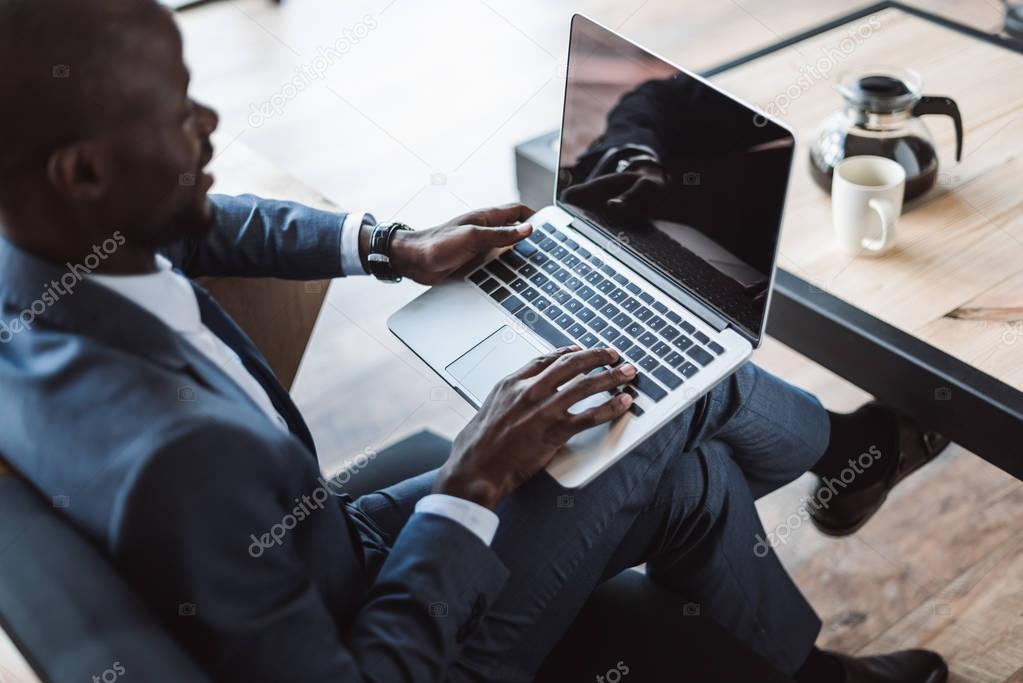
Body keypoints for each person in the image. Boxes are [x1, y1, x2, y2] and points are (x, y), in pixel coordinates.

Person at [0, 1, 950, 681]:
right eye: (177, 112)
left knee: (683, 470)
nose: (208, 125)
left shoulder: (49, 257)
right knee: (672, 387)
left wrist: (392, 245)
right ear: (82, 171)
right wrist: (472, 481)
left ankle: (810, 647)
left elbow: (201, 219)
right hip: (397, 635)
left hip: (328, 555)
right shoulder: (182, 455)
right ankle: (851, 453)